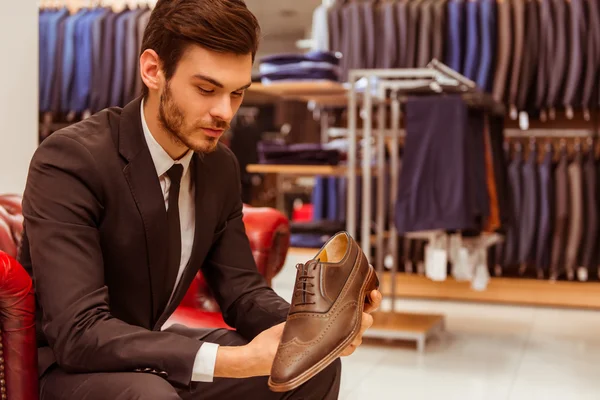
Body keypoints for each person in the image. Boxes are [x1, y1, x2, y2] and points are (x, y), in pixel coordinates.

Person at [18, 1, 382, 399]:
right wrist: (234, 361)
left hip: (144, 355)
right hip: (61, 369)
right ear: (153, 70)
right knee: (150, 394)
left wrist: (312, 330)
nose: (224, 112)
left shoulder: (217, 166)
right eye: (206, 89)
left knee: (313, 371)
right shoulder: (70, 160)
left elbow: (243, 291)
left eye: (237, 94)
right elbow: (79, 332)